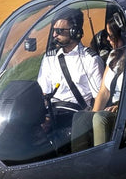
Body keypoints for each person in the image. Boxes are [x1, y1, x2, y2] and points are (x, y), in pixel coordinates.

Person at [36, 9, 102, 150]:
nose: (54, 35)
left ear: (74, 32)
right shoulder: (49, 58)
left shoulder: (91, 60)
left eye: (59, 31)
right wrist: (43, 118)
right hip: (52, 113)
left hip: (76, 115)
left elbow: (99, 97)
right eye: (54, 30)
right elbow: (42, 93)